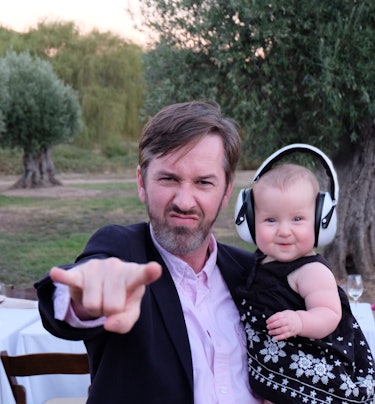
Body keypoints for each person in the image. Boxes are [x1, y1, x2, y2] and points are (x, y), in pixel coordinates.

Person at [35, 101, 263, 403]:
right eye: (168, 179)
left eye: (203, 182)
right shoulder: (122, 249)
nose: (184, 201)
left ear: (225, 194)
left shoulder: (253, 272)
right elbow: (73, 295)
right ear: (142, 182)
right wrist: (86, 297)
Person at [236, 163, 375, 403]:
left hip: (315, 372)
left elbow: (329, 314)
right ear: (250, 221)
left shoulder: (311, 271)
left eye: (297, 219)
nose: (284, 231)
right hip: (280, 372)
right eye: (270, 220)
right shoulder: (261, 262)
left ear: (321, 221)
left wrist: (300, 320)